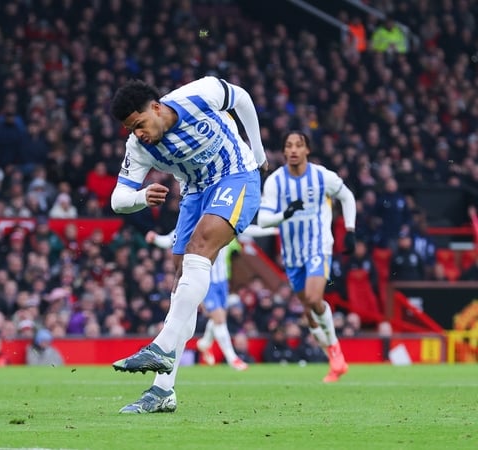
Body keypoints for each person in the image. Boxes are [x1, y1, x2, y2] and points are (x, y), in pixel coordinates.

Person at [108, 77, 267, 414]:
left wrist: (258, 151)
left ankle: (161, 345)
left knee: (200, 248)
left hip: (236, 175)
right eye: (130, 129)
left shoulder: (199, 94)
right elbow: (117, 200)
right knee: (182, 283)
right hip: (194, 192)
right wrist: (140, 196)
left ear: (155, 107)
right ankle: (164, 391)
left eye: (138, 124)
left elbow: (242, 98)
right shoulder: (138, 147)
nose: (137, 133)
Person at [257, 130, 356, 383]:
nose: (293, 150)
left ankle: (335, 351)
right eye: (288, 145)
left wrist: (350, 229)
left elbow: (346, 196)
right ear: (283, 151)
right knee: (310, 312)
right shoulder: (275, 181)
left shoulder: (322, 176)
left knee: (313, 298)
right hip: (292, 254)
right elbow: (264, 219)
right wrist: (285, 214)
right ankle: (335, 361)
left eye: (298, 145)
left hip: (318, 245)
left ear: (306, 150)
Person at [145, 230, 248, 371]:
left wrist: (273, 228)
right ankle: (232, 358)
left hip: (222, 281)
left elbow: (247, 230)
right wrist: (155, 238)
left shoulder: (224, 221)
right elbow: (171, 238)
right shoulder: (196, 222)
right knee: (219, 320)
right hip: (205, 278)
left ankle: (205, 342)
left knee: (219, 319)